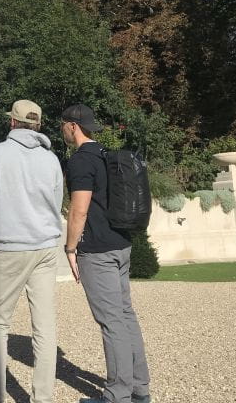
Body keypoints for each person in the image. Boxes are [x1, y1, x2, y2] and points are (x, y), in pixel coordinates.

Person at [61, 104, 151, 403]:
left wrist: (70, 248)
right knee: (126, 316)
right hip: (122, 245)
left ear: (73, 126)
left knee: (112, 323)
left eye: (64, 124)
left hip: (97, 250)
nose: (63, 129)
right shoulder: (107, 156)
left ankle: (117, 396)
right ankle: (140, 389)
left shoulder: (80, 161)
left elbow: (79, 210)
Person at [0, 100, 64, 403]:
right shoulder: (51, 160)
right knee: (44, 324)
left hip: (11, 247)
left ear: (12, 123)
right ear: (37, 125)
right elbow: (56, 202)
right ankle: (43, 398)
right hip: (45, 247)